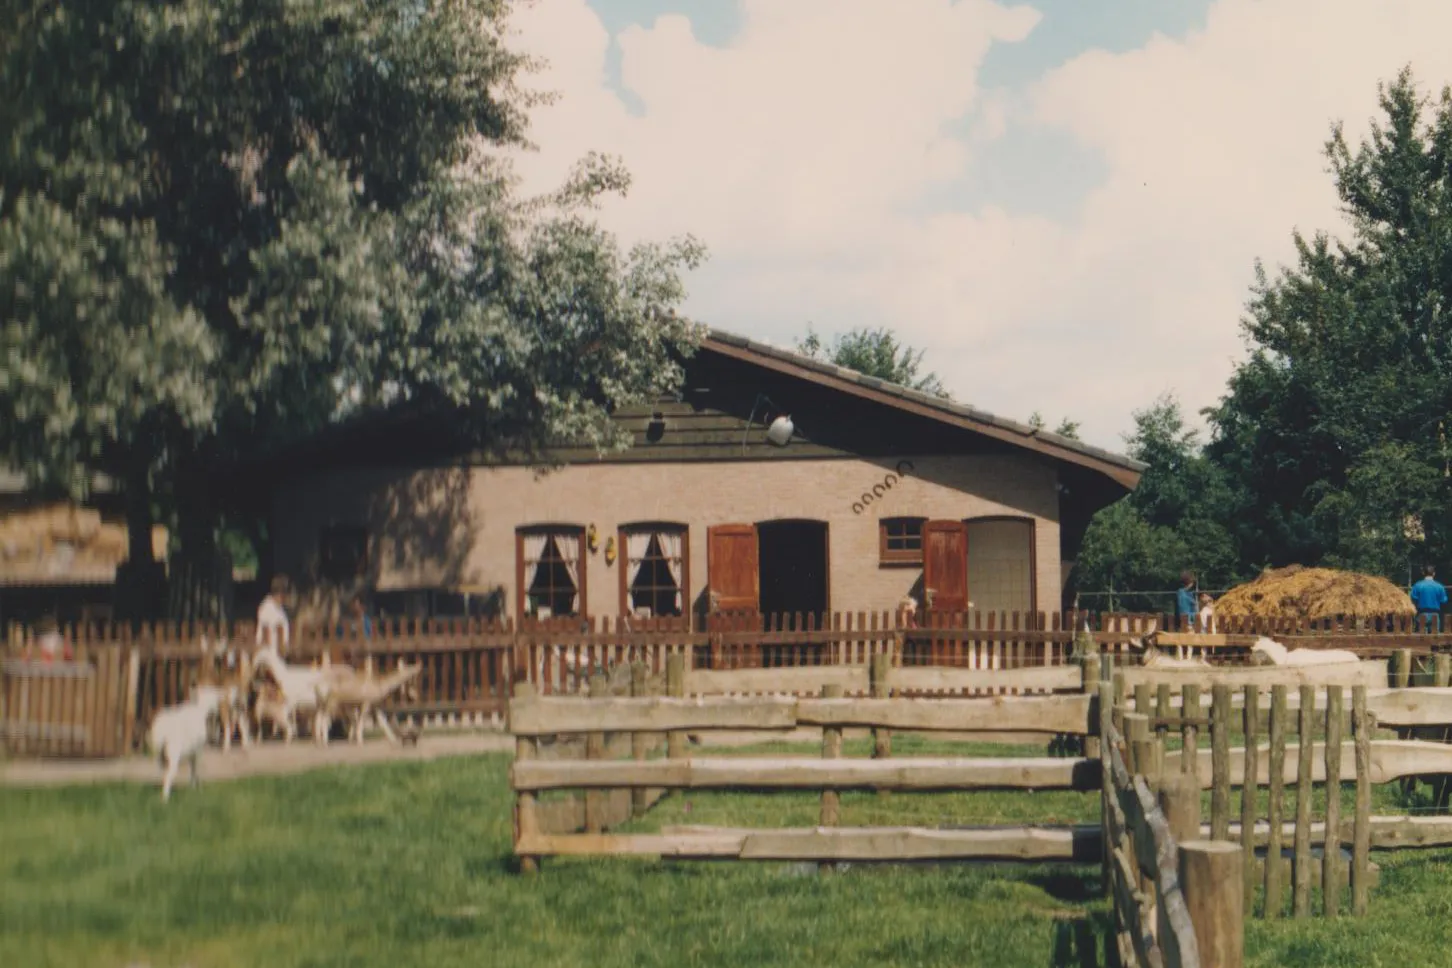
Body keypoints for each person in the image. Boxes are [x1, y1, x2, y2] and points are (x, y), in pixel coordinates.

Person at [256, 574, 292, 654]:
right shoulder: (267, 608)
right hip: (269, 654)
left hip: (280, 654)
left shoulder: (281, 609)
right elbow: (266, 639)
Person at [1410, 565, 1447, 633]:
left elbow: (1413, 599)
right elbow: (1444, 601)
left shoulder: (1417, 585)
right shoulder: (1440, 586)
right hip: (1435, 615)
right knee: (1435, 637)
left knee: (1421, 638)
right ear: (1434, 573)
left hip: (1421, 614)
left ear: (1423, 573)